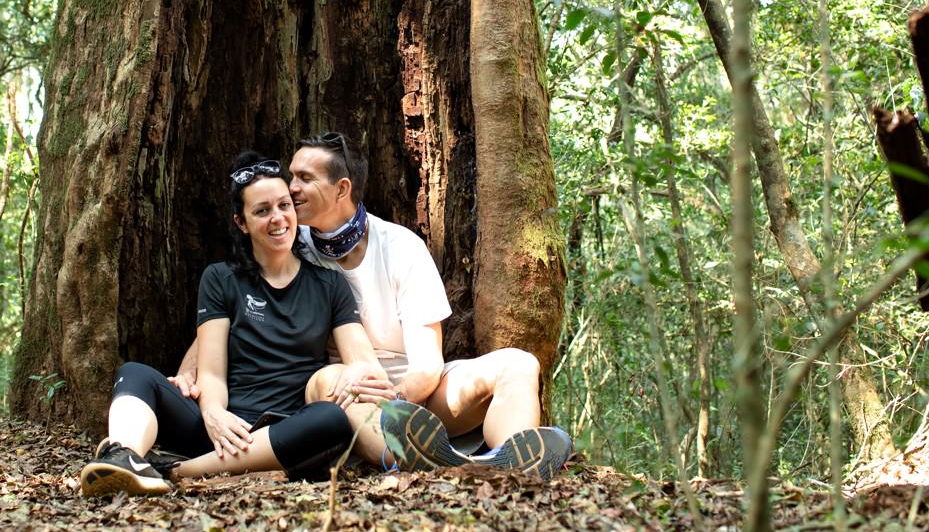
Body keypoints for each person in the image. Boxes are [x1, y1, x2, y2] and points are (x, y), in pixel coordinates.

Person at [80, 152, 388, 497]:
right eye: (262, 211)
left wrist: (367, 377)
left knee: (331, 420)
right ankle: (123, 457)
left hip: (284, 432)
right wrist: (213, 413)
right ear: (241, 223)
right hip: (223, 425)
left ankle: (176, 470)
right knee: (135, 373)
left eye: (284, 205)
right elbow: (211, 371)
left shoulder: (329, 285)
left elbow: (359, 356)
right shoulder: (221, 278)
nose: (278, 219)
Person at [287, 132, 570, 477]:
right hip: (347, 394)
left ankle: (509, 467)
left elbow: (426, 365)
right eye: (291, 177)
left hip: (414, 399)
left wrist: (397, 395)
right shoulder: (289, 247)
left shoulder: (400, 247)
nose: (291, 188)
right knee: (328, 379)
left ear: (342, 189)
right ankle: (408, 458)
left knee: (519, 364)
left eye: (304, 178)